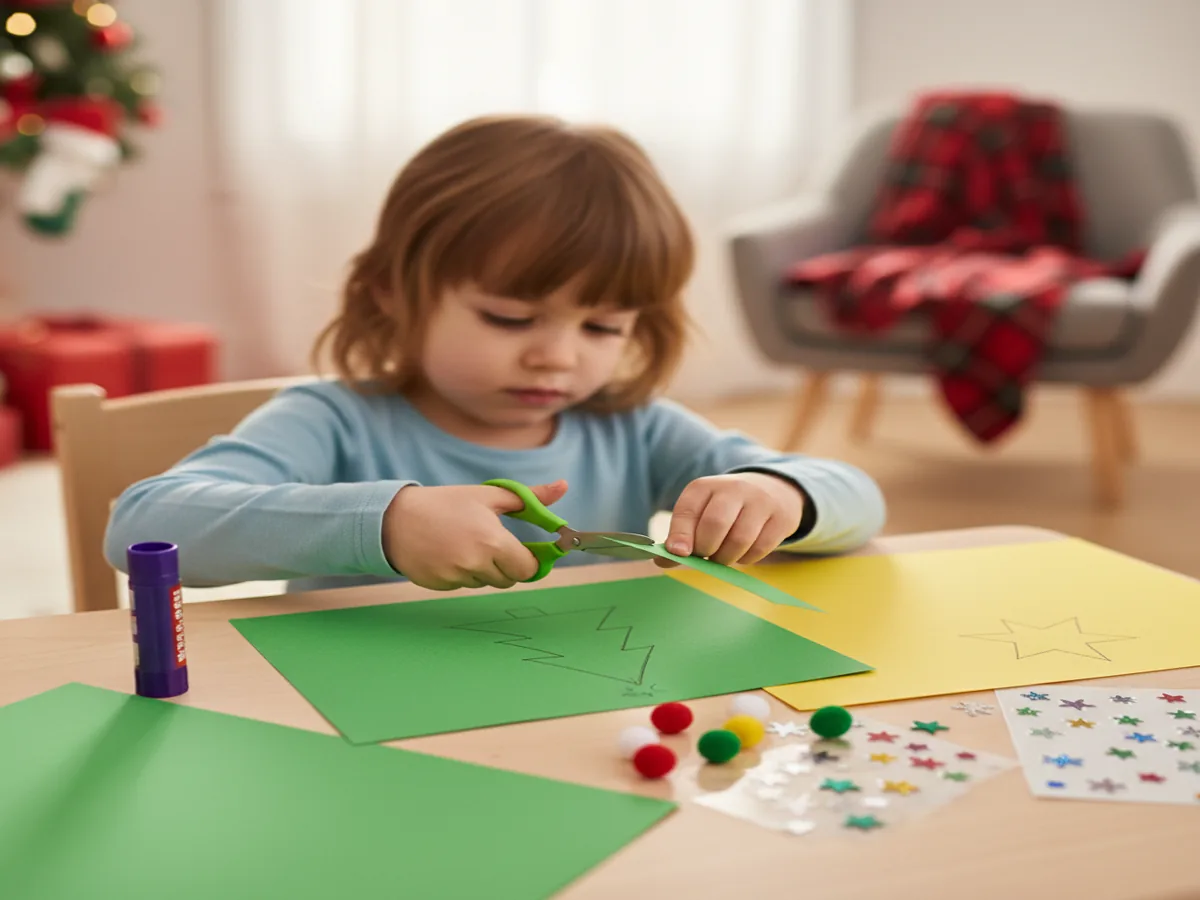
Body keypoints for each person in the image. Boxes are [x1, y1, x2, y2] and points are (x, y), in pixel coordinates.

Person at [104, 114, 886, 594]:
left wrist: (781, 495)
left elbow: (859, 500)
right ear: (390, 293)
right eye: (512, 317)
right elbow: (142, 523)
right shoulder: (333, 421)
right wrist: (384, 525)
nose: (557, 358)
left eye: (603, 327)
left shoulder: (637, 427)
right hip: (348, 729)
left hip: (571, 720)